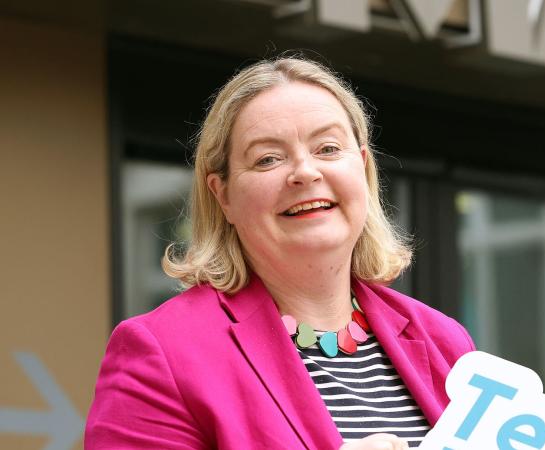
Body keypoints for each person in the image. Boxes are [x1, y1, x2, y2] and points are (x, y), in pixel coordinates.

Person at [85, 57, 474, 450]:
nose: (305, 172)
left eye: (327, 147)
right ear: (223, 195)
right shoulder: (163, 353)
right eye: (268, 158)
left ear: (363, 168)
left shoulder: (445, 341)